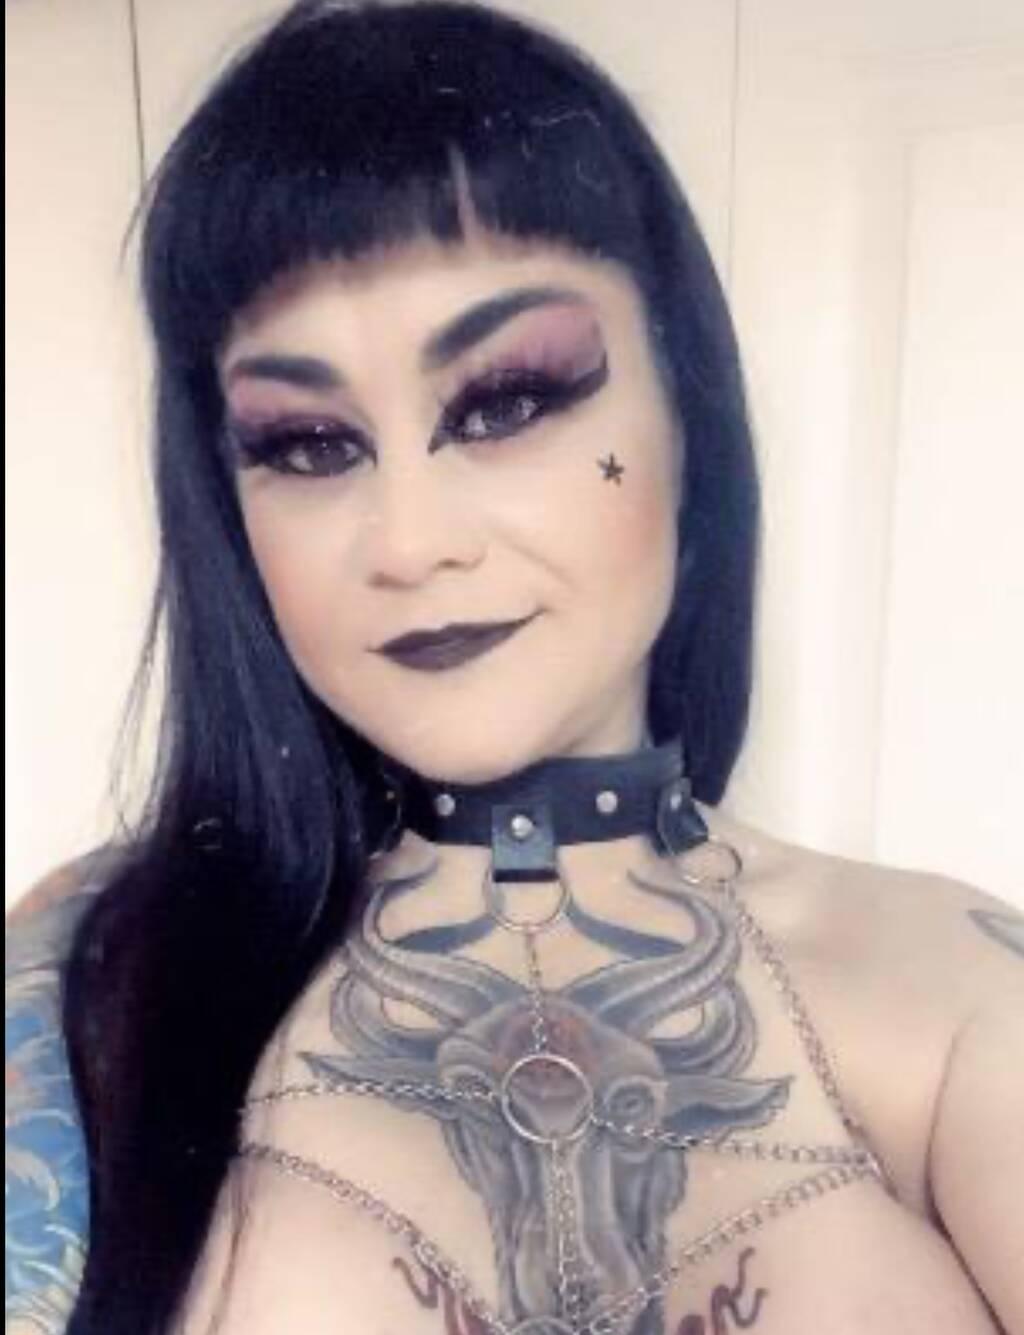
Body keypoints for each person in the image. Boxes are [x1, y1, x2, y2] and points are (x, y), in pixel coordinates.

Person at [5, 2, 1023, 1332]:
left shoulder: (953, 991)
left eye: (507, 401)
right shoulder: (97, 987)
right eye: (309, 443)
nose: (409, 542)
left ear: (688, 413)